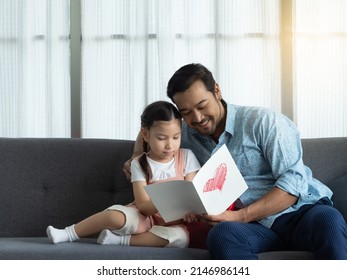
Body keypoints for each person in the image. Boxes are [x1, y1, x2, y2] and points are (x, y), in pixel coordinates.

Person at [124, 63, 347, 259]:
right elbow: (151, 129)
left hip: (299, 213)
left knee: (328, 221)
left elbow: (293, 183)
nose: (198, 118)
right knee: (221, 236)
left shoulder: (263, 122)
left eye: (202, 106)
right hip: (254, 228)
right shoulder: (186, 134)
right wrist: (136, 156)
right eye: (187, 113)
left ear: (217, 91)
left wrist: (239, 216)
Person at [46, 100, 201, 248]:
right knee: (113, 216)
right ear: (146, 135)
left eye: (176, 137)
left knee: (181, 238)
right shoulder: (139, 163)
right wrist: (170, 200)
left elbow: (191, 195)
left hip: (175, 223)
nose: (170, 145)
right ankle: (68, 233)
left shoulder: (187, 157)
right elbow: (143, 206)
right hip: (144, 216)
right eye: (162, 138)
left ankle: (121, 240)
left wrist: (191, 211)